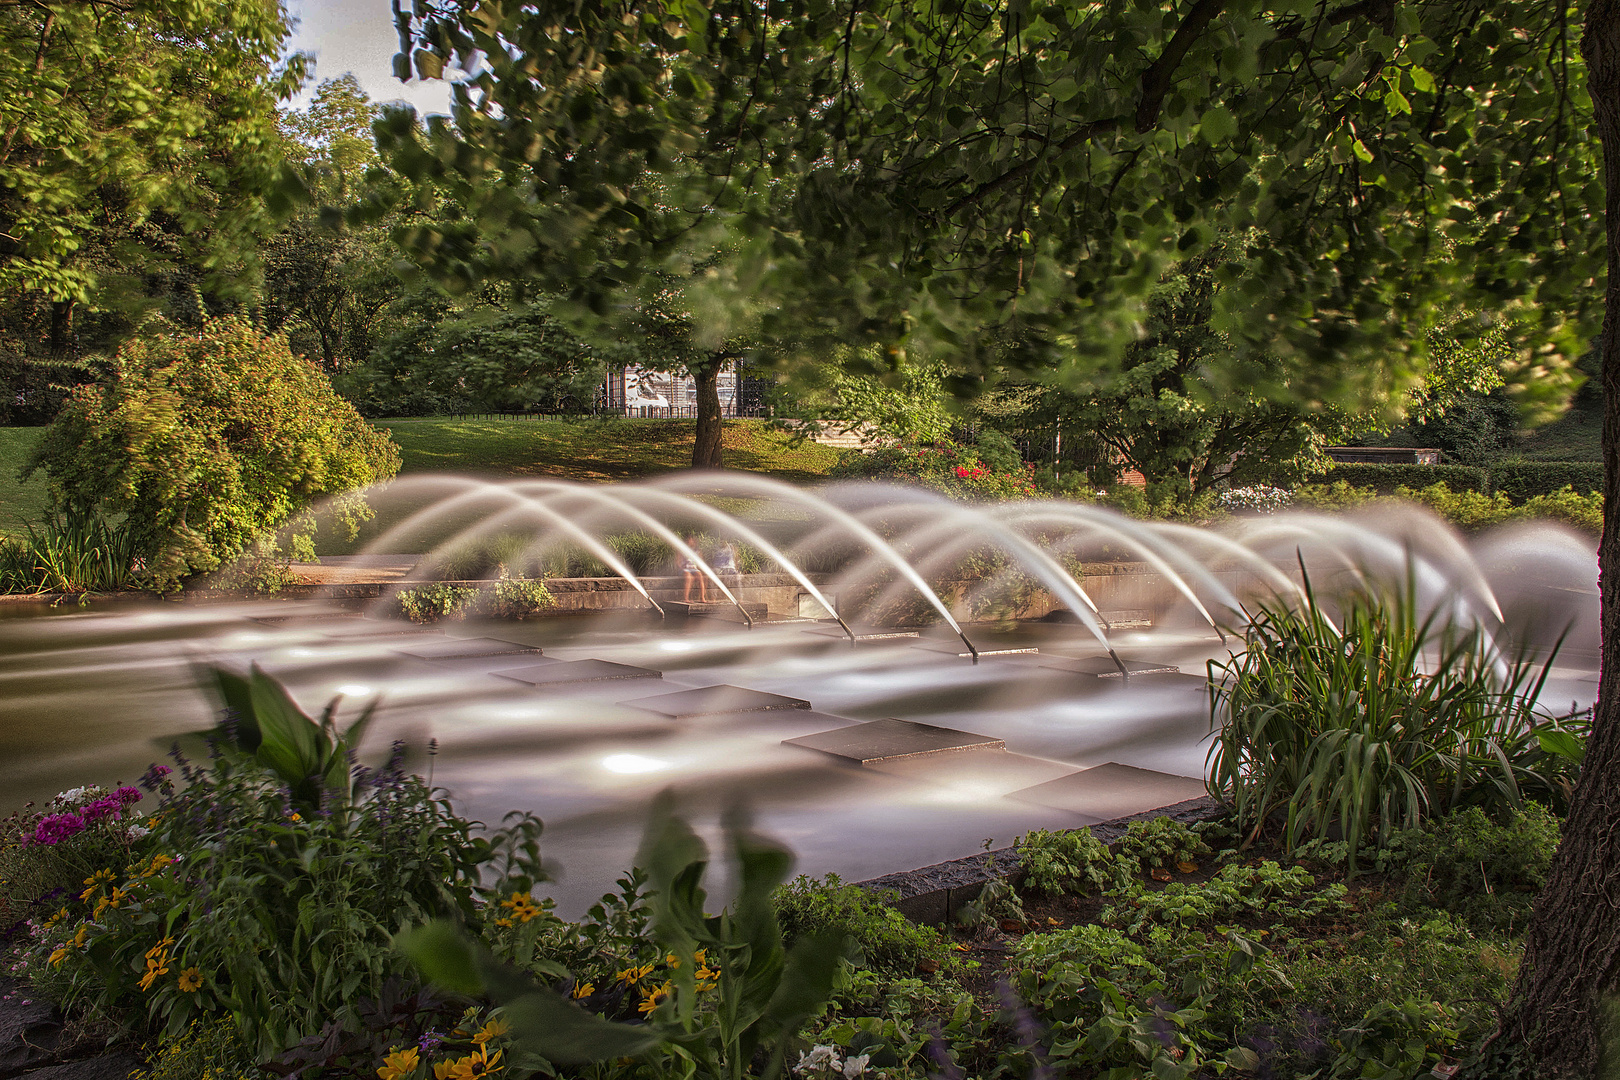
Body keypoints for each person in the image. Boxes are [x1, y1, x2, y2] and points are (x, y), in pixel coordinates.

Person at [678, 536, 710, 603]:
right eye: (689, 540)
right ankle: (686, 598)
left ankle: (702, 598)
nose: (690, 542)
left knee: (700, 576)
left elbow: (700, 562)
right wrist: (682, 567)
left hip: (694, 569)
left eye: (691, 540)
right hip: (685, 569)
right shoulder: (682, 550)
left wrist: (700, 569)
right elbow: (678, 562)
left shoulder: (697, 551)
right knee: (689, 578)